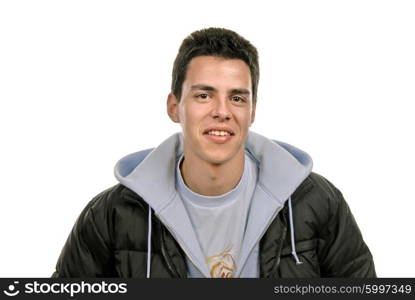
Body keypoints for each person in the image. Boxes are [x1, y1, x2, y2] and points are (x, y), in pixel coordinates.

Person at [52, 27, 376, 278]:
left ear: (252, 111)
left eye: (237, 98)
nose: (222, 112)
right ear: (174, 107)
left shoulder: (316, 202)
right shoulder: (111, 215)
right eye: (204, 95)